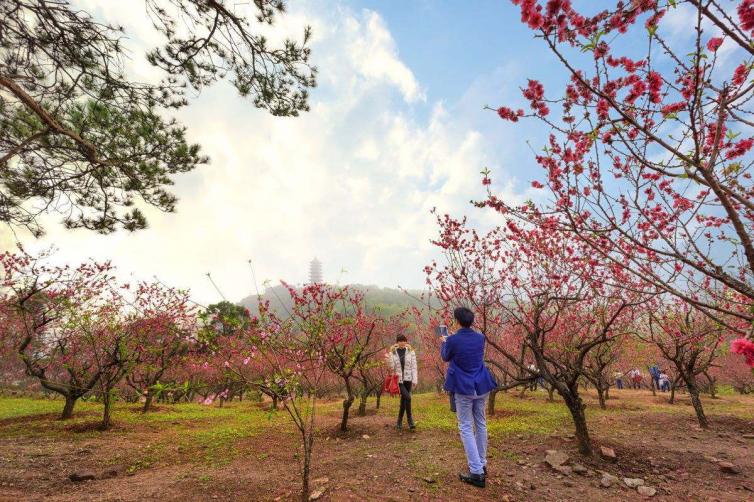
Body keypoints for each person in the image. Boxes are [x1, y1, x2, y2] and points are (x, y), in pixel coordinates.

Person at [441, 307, 497, 489]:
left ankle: (476, 472)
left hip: (463, 387)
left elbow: (445, 357)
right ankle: (481, 463)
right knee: (480, 423)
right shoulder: (480, 338)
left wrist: (444, 341)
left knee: (465, 426)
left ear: (457, 321)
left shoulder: (452, 340)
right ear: (472, 321)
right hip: (481, 384)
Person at [386, 334, 418, 430]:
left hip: (408, 379)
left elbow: (414, 366)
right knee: (408, 398)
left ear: (406, 341)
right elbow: (391, 368)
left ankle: (399, 421)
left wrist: (415, 379)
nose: (402, 342)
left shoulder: (411, 352)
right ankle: (410, 420)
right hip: (399, 380)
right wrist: (388, 361)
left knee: (404, 400)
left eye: (404, 340)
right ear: (397, 342)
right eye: (400, 341)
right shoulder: (393, 353)